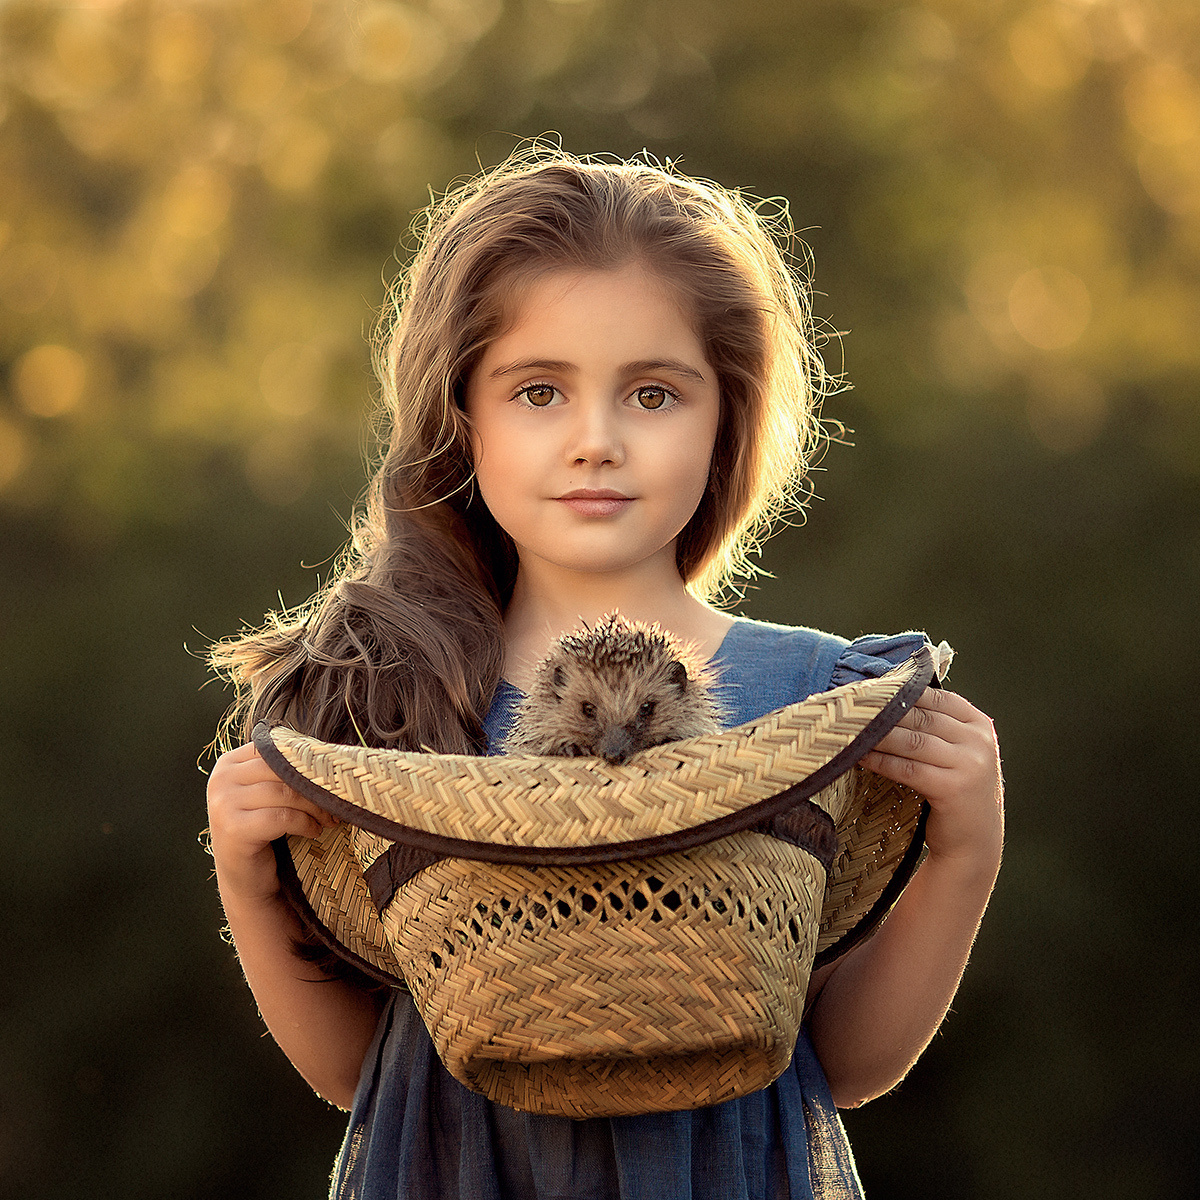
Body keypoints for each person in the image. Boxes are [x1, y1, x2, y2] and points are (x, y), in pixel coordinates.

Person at [206, 148, 1004, 1199]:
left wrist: (967, 847)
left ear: (727, 420)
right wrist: (244, 876)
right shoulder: (385, 703)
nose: (596, 441)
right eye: (539, 391)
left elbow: (844, 1064)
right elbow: (363, 1070)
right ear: (462, 419)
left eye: (654, 395)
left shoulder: (824, 701)